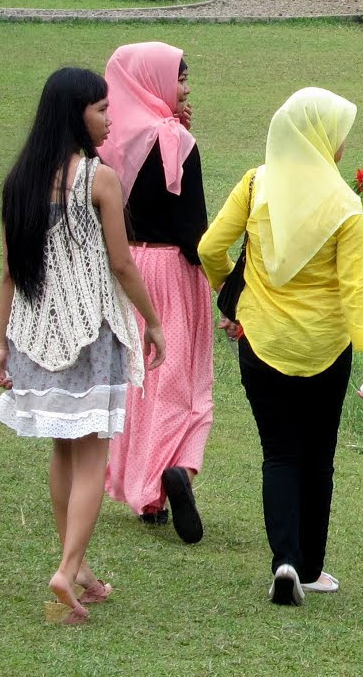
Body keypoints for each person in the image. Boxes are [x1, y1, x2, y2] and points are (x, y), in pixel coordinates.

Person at [0, 67, 165, 625]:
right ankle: (67, 570)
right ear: (75, 115)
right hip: (90, 334)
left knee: (63, 451)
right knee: (93, 456)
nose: (108, 119)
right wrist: (154, 321)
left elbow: (9, 274)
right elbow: (121, 263)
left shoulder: (19, 182)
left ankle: (80, 566)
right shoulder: (99, 179)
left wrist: (1, 346)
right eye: (99, 109)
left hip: (34, 337)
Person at [198, 87, 363, 606]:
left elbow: (211, 248)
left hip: (262, 343)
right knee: (318, 458)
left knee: (279, 454)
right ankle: (311, 568)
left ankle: (283, 560)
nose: (343, 145)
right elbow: (354, 290)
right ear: (318, 138)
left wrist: (232, 300)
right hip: (326, 350)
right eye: (338, 135)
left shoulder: (256, 184)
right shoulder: (346, 206)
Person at [98, 42, 212, 544]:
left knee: (139, 383)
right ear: (157, 82)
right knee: (185, 383)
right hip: (173, 271)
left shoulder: (111, 142)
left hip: (128, 270)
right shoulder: (176, 143)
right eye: (181, 78)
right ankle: (177, 471)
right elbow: (194, 234)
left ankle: (145, 490)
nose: (186, 88)